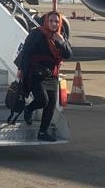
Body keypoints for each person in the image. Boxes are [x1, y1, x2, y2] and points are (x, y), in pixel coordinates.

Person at [17, 11, 72, 142]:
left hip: (51, 74)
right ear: (46, 21)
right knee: (43, 100)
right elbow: (26, 52)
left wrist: (62, 42)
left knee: (51, 105)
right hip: (36, 73)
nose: (54, 24)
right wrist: (21, 69)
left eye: (57, 21)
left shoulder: (60, 36)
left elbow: (68, 54)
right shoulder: (37, 33)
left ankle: (43, 132)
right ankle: (29, 109)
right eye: (51, 21)